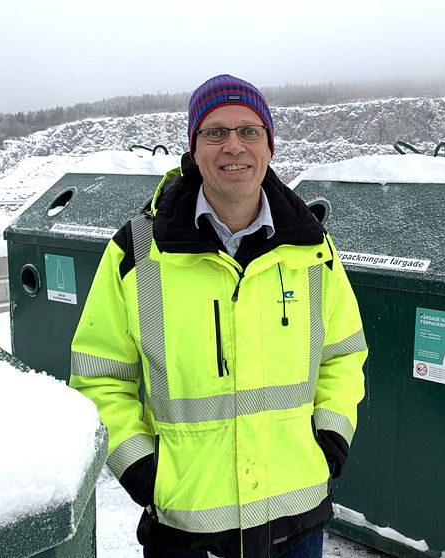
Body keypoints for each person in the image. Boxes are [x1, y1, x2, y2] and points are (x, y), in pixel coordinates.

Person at [69, 74, 368, 558]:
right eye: (215, 132)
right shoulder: (138, 251)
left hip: (296, 523)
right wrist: (145, 471)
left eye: (249, 131)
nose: (234, 146)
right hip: (186, 527)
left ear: (270, 146)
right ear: (194, 148)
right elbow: (100, 376)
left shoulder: (314, 250)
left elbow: (344, 354)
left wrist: (330, 437)